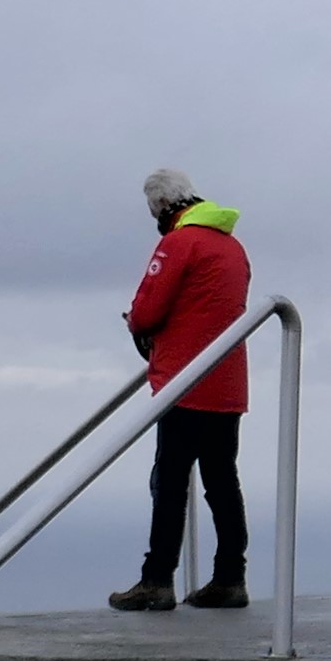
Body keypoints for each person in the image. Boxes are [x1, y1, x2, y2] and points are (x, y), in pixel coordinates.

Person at [106, 168, 255, 614]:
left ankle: (157, 581)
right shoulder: (232, 247)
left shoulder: (179, 243)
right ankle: (230, 578)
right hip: (226, 383)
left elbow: (148, 309)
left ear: (160, 206)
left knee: (169, 482)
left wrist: (135, 324)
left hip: (185, 384)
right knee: (222, 481)